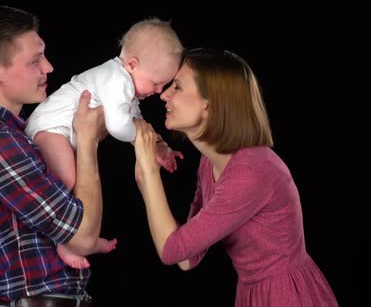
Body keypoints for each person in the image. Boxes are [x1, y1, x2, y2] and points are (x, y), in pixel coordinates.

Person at [132, 48, 339, 306]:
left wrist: (150, 172)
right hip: (252, 294)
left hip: (285, 296)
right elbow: (187, 258)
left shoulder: (251, 172)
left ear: (209, 105)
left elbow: (172, 250)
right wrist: (144, 177)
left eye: (178, 87)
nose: (164, 95)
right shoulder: (210, 164)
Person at [0, 5, 107, 307]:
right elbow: (83, 238)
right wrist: (87, 139)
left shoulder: (12, 132)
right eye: (35, 60)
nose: (48, 67)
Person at [24, 17, 185, 268]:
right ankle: (64, 241)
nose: (159, 90)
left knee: (75, 179)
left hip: (67, 134)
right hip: (48, 129)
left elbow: (135, 120)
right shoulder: (115, 79)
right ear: (132, 64)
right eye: (156, 82)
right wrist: (141, 139)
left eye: (164, 84)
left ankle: (77, 239)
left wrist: (156, 146)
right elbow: (119, 126)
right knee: (66, 178)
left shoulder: (126, 85)